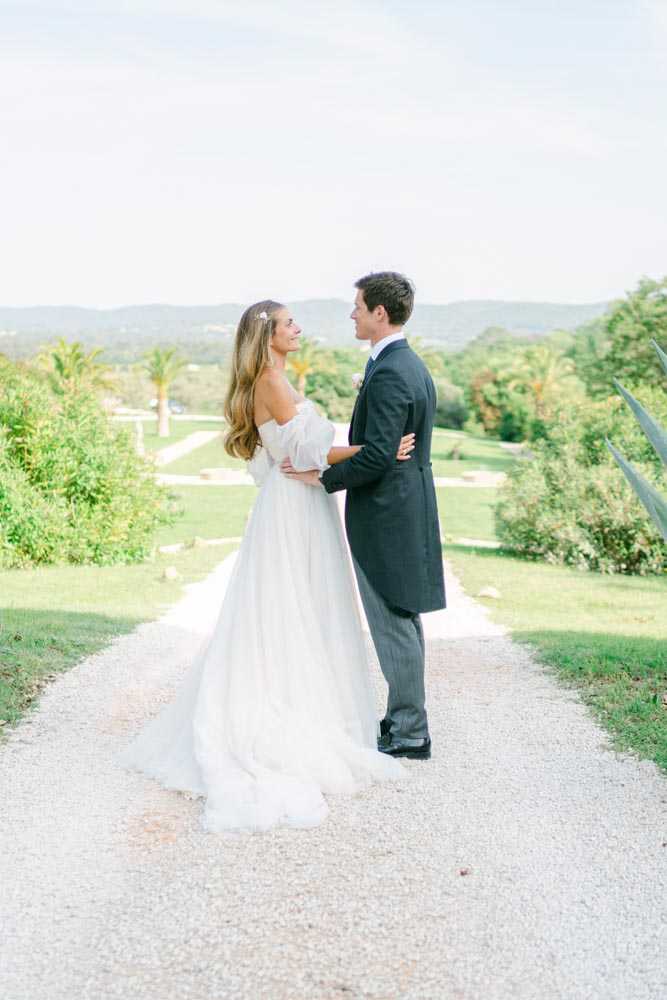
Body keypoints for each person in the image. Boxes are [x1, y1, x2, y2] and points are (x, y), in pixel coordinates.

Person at [116, 299, 415, 833]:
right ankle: (284, 714)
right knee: (291, 604)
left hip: (298, 499)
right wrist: (380, 450)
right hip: (293, 503)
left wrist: (365, 449)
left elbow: (307, 451)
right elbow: (308, 454)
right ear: (268, 335)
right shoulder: (270, 383)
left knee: (298, 603)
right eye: (289, 323)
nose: (299, 328)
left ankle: (305, 704)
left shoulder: (273, 378)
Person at [282, 272, 446, 760]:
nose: (351, 313)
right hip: (400, 509)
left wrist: (321, 478)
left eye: (357, 306)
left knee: (393, 619)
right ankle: (403, 721)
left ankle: (411, 732)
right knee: (401, 617)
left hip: (388, 516)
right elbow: (382, 449)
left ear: (380, 312)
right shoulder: (402, 363)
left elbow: (377, 456)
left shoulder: (394, 370)